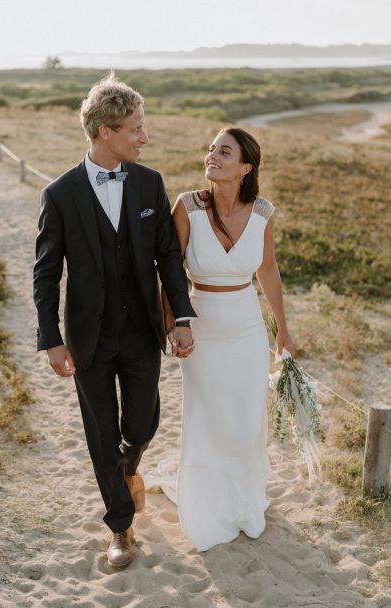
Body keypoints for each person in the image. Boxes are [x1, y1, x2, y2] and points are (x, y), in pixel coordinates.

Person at [33, 73, 196, 568]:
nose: (144, 138)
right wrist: (51, 339)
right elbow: (46, 273)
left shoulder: (150, 182)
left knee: (142, 424)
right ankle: (121, 528)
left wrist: (181, 316)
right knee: (101, 431)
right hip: (89, 338)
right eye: (135, 129)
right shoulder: (60, 194)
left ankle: (128, 468)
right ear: (105, 131)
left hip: (143, 331)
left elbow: (168, 256)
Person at [162, 127, 295, 551]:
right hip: (201, 326)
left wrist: (284, 331)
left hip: (247, 328)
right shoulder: (187, 206)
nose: (212, 156)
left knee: (244, 416)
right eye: (211, 149)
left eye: (224, 151)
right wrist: (173, 323)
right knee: (207, 414)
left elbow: (268, 271)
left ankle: (242, 500)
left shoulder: (262, 212)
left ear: (245, 167)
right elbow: (168, 271)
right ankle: (207, 505)